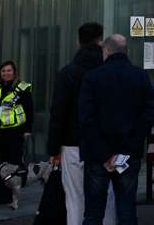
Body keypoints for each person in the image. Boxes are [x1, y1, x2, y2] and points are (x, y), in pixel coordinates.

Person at [79, 35, 154, 225]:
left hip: (98, 156)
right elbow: (147, 116)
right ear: (125, 51)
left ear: (106, 51)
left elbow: (86, 119)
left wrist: (105, 154)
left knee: (93, 213)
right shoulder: (141, 76)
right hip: (128, 155)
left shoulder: (92, 77)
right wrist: (129, 147)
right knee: (127, 210)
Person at [48, 22, 115, 225]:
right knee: (106, 196)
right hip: (104, 143)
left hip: (73, 143)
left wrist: (53, 148)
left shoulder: (68, 72)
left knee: (75, 198)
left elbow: (58, 112)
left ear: (78, 42)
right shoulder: (109, 71)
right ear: (100, 41)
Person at [0, 60, 33, 205]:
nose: (6, 73)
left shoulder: (22, 88)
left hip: (15, 132)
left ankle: (12, 195)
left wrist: (27, 129)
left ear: (14, 72)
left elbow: (29, 109)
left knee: (13, 164)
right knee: (1, 164)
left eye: (9, 71)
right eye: (3, 71)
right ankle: (2, 193)